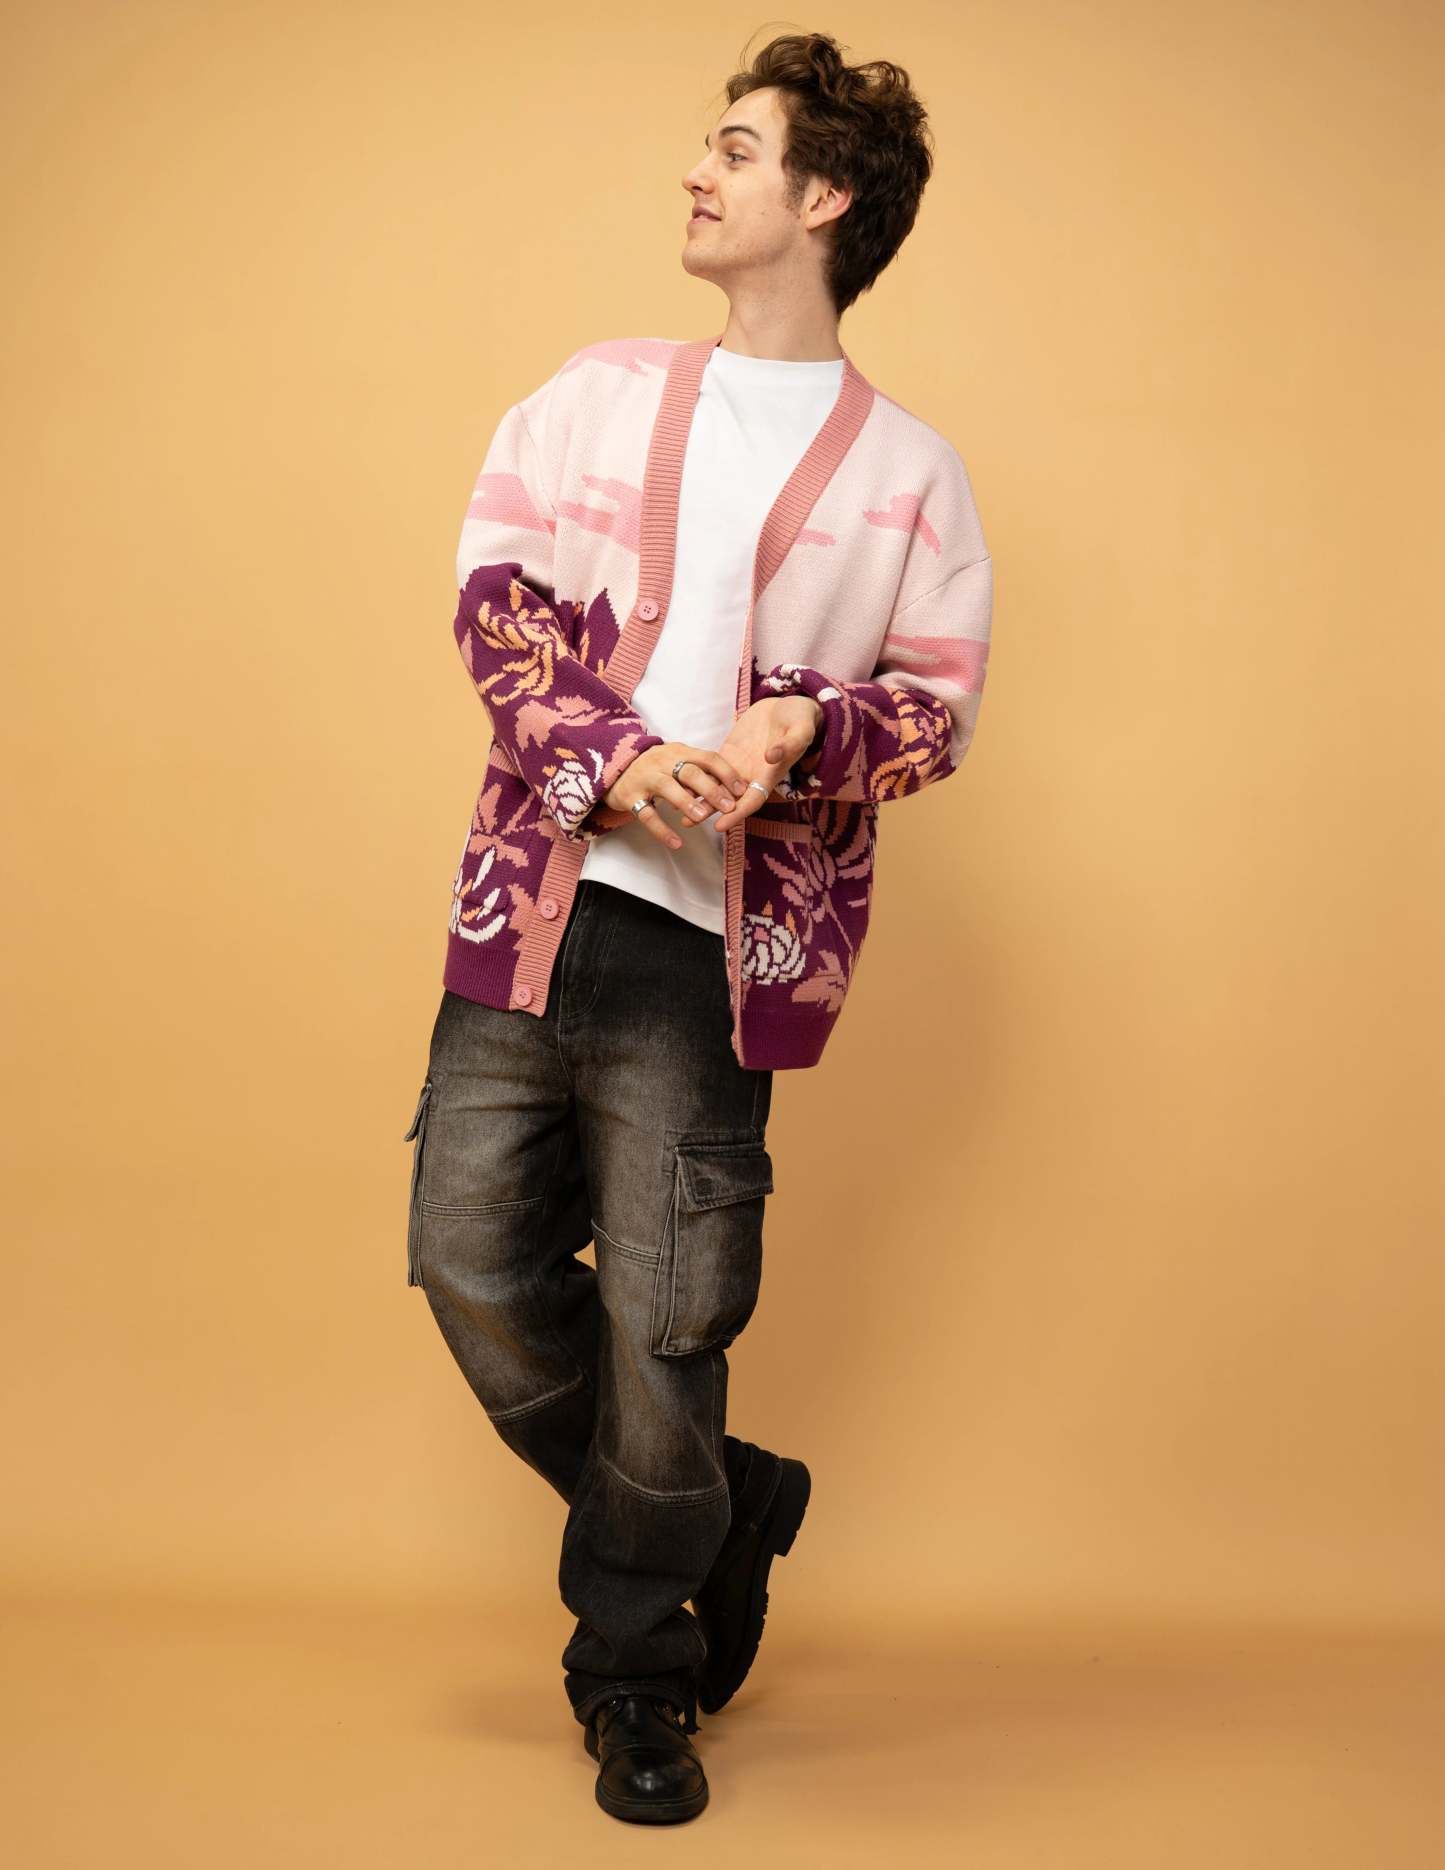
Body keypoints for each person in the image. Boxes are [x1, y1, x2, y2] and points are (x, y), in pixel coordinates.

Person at [403, 30, 993, 1825]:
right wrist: (612, 755)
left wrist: (803, 724)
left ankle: (637, 1674)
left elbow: (936, 709)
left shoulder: (910, 473)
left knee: (667, 1328)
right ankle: (721, 1506)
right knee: (470, 1263)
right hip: (535, 902)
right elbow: (493, 593)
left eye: (735, 148)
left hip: (714, 961)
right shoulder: (594, 393)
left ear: (825, 195)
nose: (696, 170)